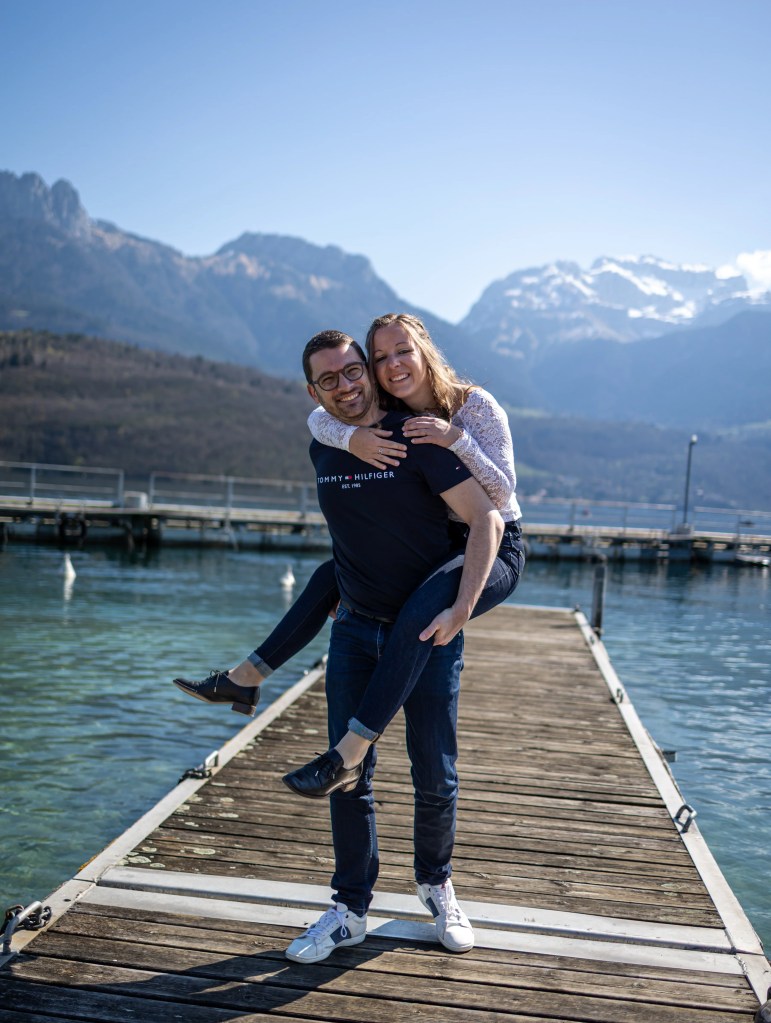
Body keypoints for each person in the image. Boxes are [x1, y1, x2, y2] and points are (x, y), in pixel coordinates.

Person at [174, 313, 525, 795]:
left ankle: (349, 753)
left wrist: (455, 439)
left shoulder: (473, 405)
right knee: (331, 574)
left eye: (403, 351)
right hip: (447, 541)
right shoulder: (388, 404)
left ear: (425, 349)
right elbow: (319, 417)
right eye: (380, 357)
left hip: (497, 542)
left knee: (420, 617)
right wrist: (353, 439)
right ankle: (246, 677)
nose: (393, 364)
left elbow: (501, 497)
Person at [284, 328, 502, 962]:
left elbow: (488, 514)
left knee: (434, 771)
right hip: (354, 628)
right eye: (330, 379)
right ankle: (349, 909)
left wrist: (462, 607)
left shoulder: (418, 435)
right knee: (348, 777)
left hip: (427, 629)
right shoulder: (324, 444)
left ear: (369, 371)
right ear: (314, 391)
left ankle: (437, 885)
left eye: (355, 370)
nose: (347, 385)